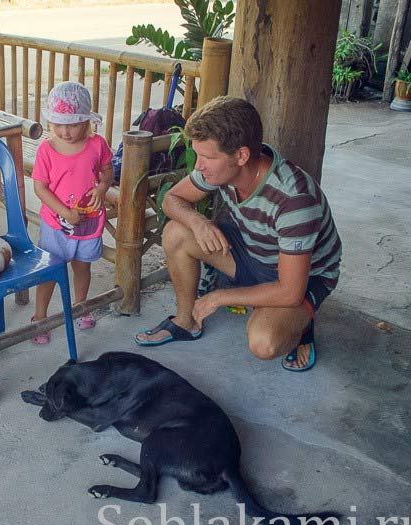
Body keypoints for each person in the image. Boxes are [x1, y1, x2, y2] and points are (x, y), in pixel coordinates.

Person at [134, 96, 342, 372]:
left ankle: (301, 327)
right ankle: (186, 322)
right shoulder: (218, 169)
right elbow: (172, 199)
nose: (198, 165)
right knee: (176, 232)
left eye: (207, 157)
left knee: (264, 342)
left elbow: (290, 290)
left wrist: (219, 297)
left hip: (301, 278)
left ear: (242, 155)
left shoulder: (295, 200)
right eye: (197, 154)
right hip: (252, 251)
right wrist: (198, 222)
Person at [30, 82, 114, 344]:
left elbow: (108, 171)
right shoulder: (47, 150)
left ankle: (80, 307)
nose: (65, 132)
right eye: (58, 124)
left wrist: (102, 188)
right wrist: (64, 212)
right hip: (56, 224)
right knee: (50, 271)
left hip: (88, 223)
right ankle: (40, 318)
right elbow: (40, 188)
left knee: (82, 267)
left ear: (87, 122)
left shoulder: (97, 145)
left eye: (73, 124)